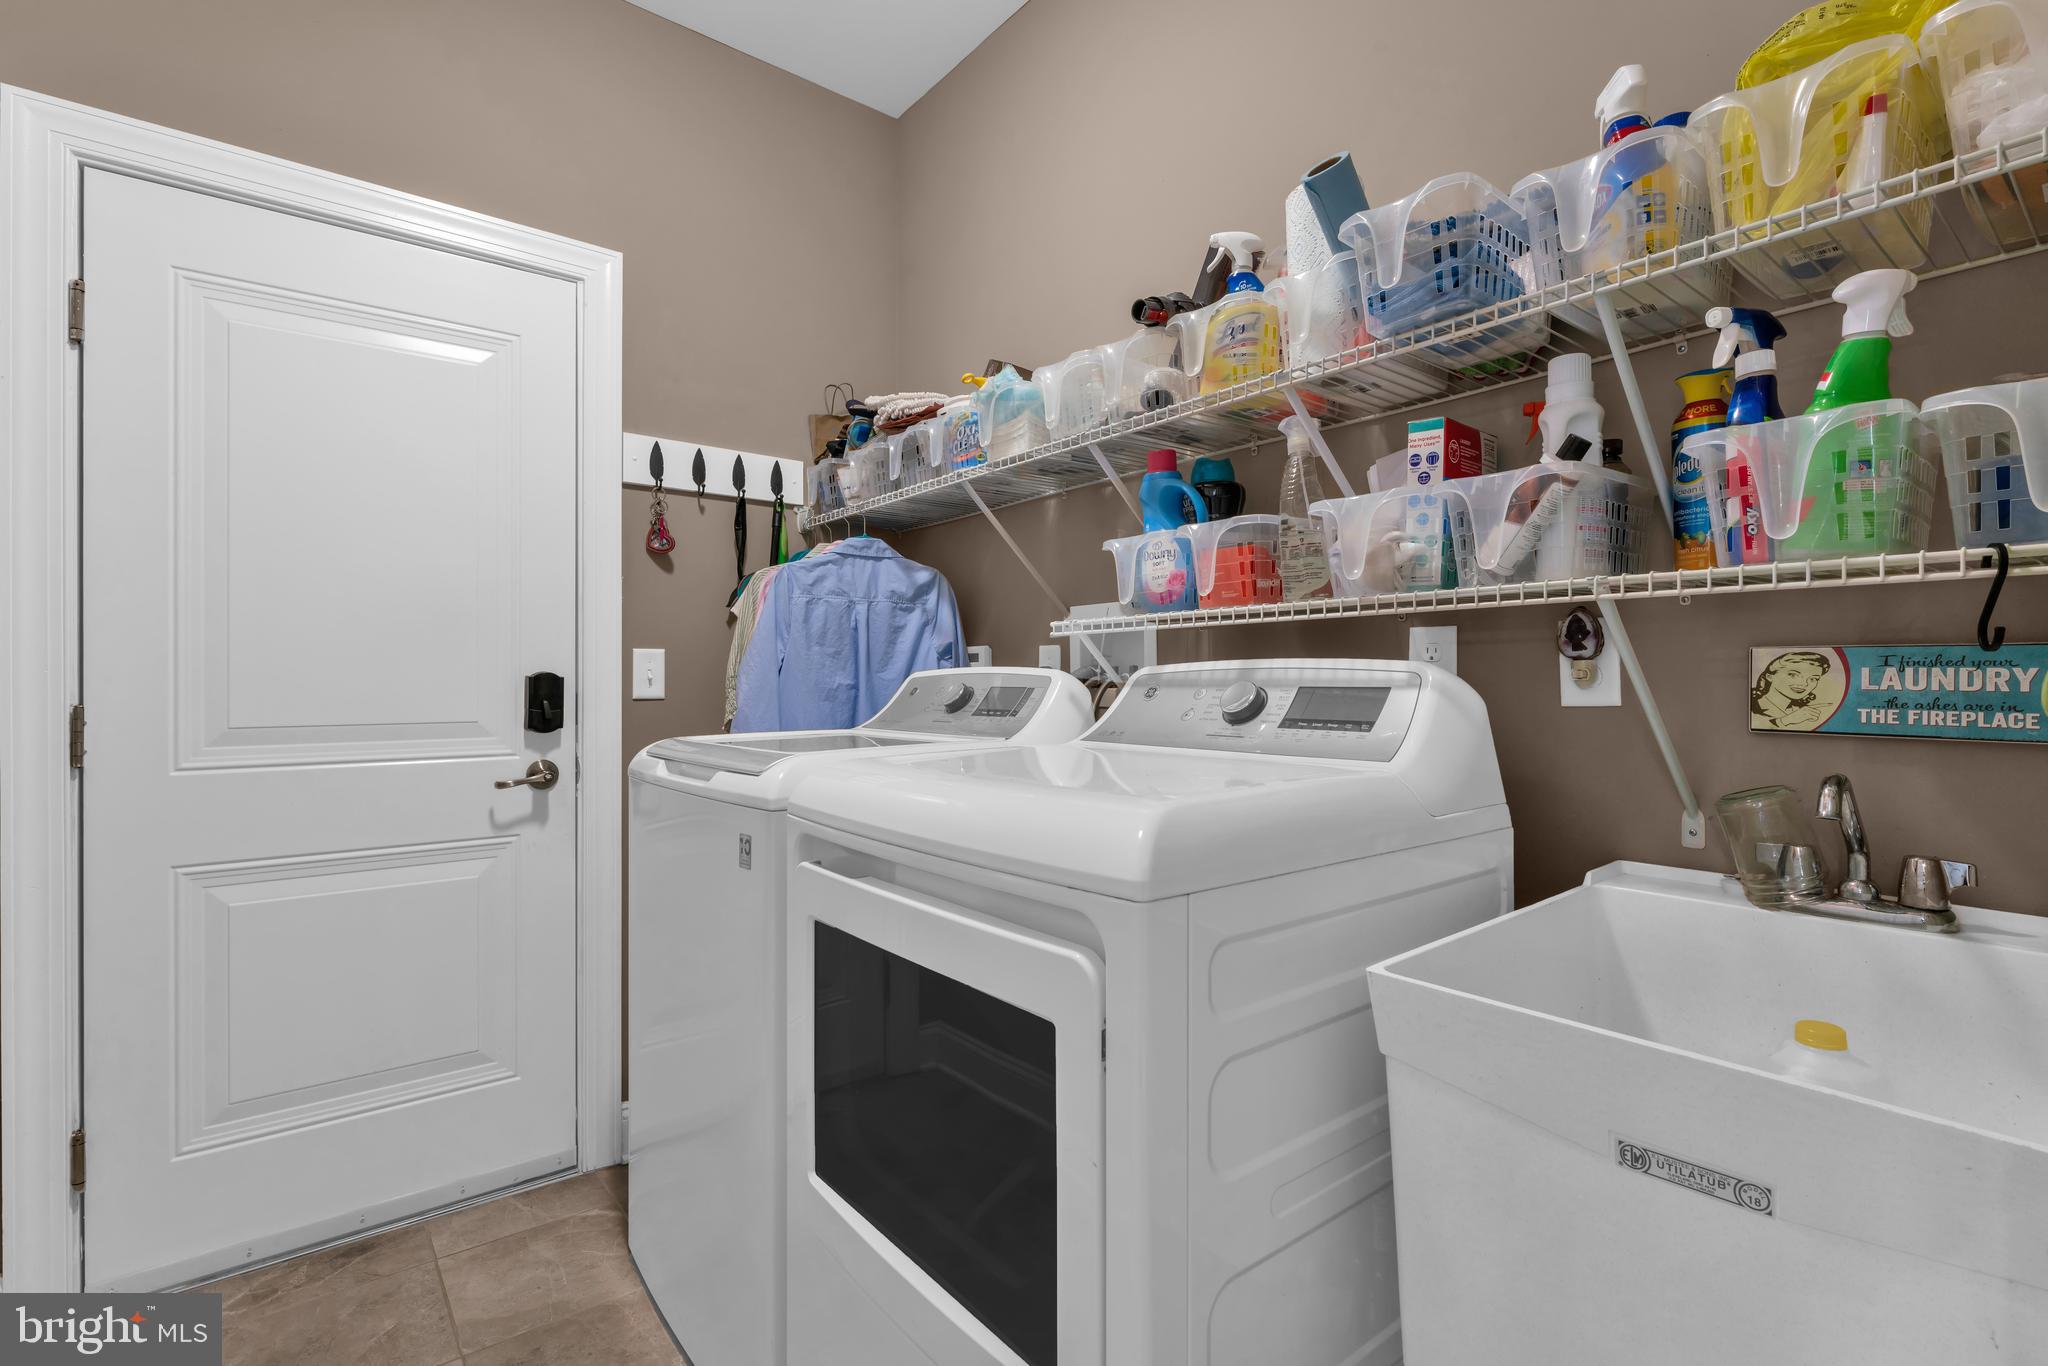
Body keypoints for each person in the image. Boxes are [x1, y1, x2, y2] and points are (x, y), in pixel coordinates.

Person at [1751, 650, 1833, 730]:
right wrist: (1784, 721)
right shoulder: (1753, 707)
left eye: (1813, 679)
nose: (1804, 684)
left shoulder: (1805, 711)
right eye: (1793, 675)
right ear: (1770, 677)